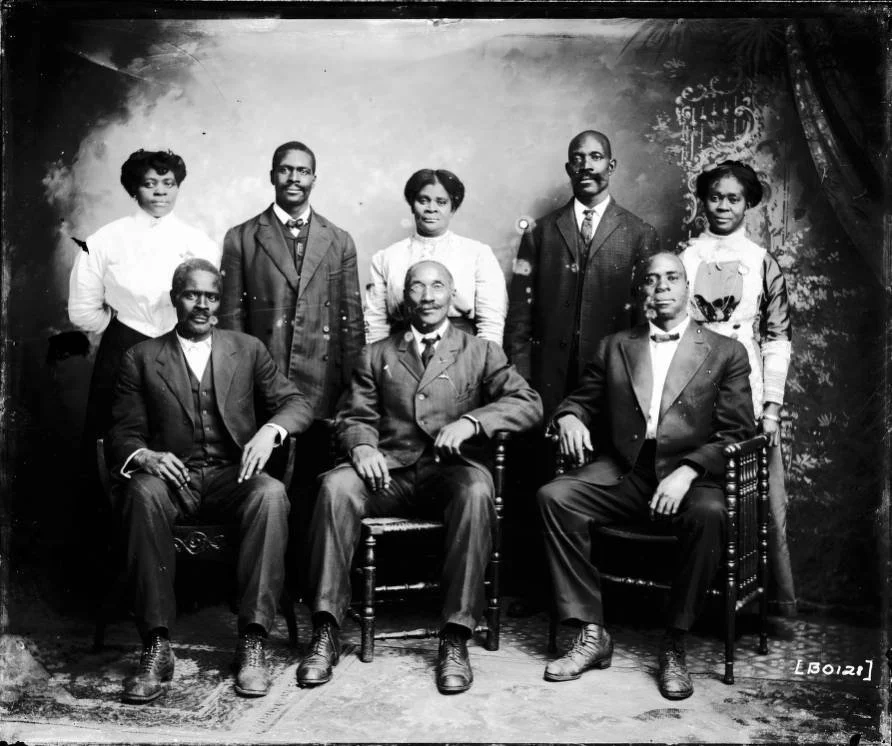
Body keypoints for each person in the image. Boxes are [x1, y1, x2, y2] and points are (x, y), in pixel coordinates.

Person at [297, 260, 542, 695]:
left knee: (477, 490)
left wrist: (473, 421)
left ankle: (455, 636)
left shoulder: (480, 351)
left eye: (437, 286)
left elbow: (528, 403)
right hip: (387, 474)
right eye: (416, 287)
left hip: (447, 474)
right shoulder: (378, 354)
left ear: (453, 295)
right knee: (335, 487)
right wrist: (361, 445)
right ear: (402, 297)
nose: (427, 296)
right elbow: (353, 415)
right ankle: (326, 630)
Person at [537, 252, 754, 700]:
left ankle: (675, 642)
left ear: (688, 287)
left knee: (711, 514)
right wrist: (570, 417)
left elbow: (737, 431)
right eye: (651, 281)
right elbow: (583, 398)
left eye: (671, 278)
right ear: (642, 293)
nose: (661, 288)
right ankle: (592, 632)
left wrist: (689, 471)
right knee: (554, 497)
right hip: (628, 469)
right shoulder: (616, 345)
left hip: (691, 474)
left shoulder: (726, 350)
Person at [107, 259, 315, 704]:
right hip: (174, 479)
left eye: (211, 296)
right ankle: (156, 645)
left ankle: (253, 639)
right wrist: (146, 455)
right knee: (141, 492)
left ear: (220, 301)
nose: (202, 305)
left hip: (231, 476)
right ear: (174, 298)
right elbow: (123, 433)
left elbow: (296, 403)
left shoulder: (248, 349)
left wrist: (269, 430)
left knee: (272, 494)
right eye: (191, 294)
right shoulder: (140, 358)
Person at [503, 130, 660, 617]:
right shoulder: (541, 233)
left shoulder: (639, 235)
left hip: (611, 388)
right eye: (578, 158)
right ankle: (535, 592)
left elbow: (644, 327)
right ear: (568, 169)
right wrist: (526, 386)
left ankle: (600, 601)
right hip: (548, 383)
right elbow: (520, 318)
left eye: (596, 157)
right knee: (539, 479)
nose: (587, 165)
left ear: (611, 166)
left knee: (599, 480)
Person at [217, 140, 365, 589]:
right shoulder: (242, 237)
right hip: (264, 388)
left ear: (314, 179)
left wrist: (352, 395)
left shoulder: (338, 240)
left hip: (322, 387)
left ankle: (303, 588)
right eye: (285, 170)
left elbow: (351, 324)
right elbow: (230, 322)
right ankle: (261, 587)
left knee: (310, 490)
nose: (294, 179)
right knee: (264, 489)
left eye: (303, 172)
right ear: (272, 176)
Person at [679, 160, 796, 616]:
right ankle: (691, 599)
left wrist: (770, 408)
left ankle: (748, 606)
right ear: (702, 201)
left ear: (747, 204)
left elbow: (778, 337)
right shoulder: (685, 258)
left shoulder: (761, 262)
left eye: (733, 199)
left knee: (751, 491)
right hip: (690, 381)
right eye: (715, 197)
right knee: (695, 483)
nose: (723, 206)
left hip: (743, 387)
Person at [68, 148, 220, 446]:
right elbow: (83, 311)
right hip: (124, 346)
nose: (160, 192)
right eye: (150, 184)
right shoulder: (104, 240)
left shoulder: (199, 242)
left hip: (181, 347)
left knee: (179, 433)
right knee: (115, 433)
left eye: (169, 183)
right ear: (134, 188)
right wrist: (120, 321)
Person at [364, 168, 507, 344]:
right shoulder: (386, 257)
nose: (431, 209)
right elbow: (375, 325)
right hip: (400, 352)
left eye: (441, 202)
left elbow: (491, 325)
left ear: (452, 208)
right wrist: (379, 366)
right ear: (412, 204)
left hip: (463, 351)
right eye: (423, 201)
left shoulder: (478, 254)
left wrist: (483, 365)